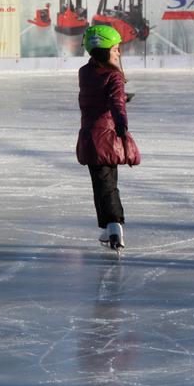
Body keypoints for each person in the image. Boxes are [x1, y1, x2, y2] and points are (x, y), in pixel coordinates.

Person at [77, 25, 140, 252]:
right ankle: (114, 225)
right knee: (108, 184)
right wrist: (122, 125)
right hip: (107, 138)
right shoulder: (114, 75)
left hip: (89, 138)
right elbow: (116, 103)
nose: (118, 53)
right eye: (115, 49)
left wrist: (120, 95)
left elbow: (98, 93)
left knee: (101, 184)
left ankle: (109, 226)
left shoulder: (84, 72)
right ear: (103, 50)